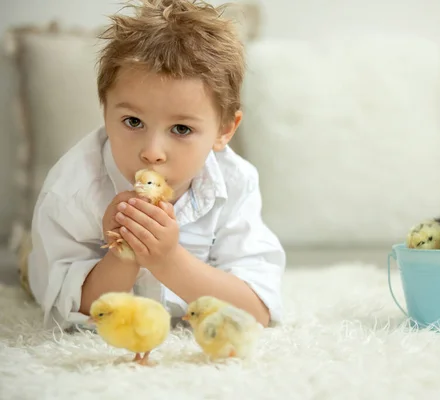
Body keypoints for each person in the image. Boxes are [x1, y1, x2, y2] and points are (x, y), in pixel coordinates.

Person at [26, 0, 285, 329]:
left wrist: (168, 259)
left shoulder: (236, 183)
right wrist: (123, 254)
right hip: (57, 254)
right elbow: (72, 313)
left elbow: (256, 311)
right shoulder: (71, 190)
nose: (152, 152)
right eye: (133, 121)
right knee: (33, 264)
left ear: (224, 131)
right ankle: (25, 249)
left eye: (181, 129)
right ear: (105, 110)